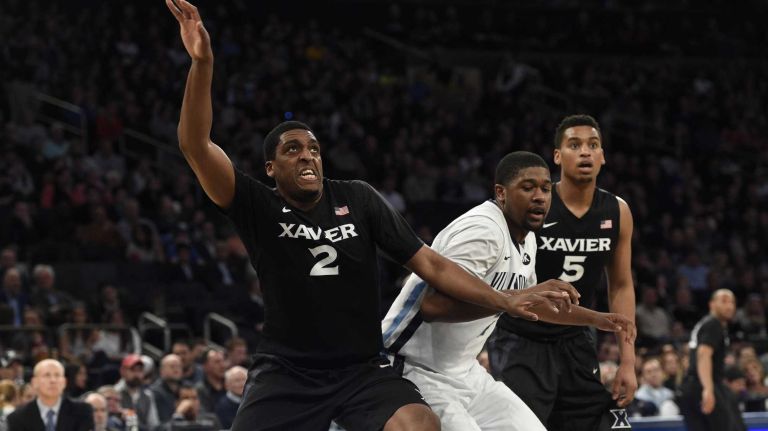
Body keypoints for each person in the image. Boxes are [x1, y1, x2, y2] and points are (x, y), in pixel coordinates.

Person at [165, 1, 575, 429]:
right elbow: (195, 145)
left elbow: (431, 263)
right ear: (271, 168)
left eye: (314, 149)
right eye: (293, 149)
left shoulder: (358, 198)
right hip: (287, 371)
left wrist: (504, 300)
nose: (307, 155)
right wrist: (203, 63)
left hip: (362, 369)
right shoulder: (257, 204)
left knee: (421, 425)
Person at [382, 152, 634, 430]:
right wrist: (508, 302)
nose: (540, 197)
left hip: (465, 371)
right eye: (528, 188)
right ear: (501, 193)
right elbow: (433, 307)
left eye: (546, 189)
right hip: (413, 367)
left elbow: (531, 305)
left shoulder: (528, 240)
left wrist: (596, 319)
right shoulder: (482, 230)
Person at [488, 115, 638, 430]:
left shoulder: (617, 211)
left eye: (593, 145)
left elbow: (621, 286)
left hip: (578, 339)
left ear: (602, 157)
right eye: (574, 145)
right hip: (522, 336)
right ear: (557, 156)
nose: (585, 152)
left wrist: (628, 360)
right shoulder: (534, 204)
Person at [679, 289, 746, 431]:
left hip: (692, 386)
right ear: (712, 304)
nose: (729, 306)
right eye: (724, 301)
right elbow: (703, 355)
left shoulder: (707, 323)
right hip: (703, 385)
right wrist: (708, 389)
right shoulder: (713, 324)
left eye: (732, 302)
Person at [6, 359, 94, 431]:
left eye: (57, 375)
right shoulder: (17, 418)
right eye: (47, 375)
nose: (53, 380)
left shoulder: (83, 411)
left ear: (64, 382)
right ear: (34, 382)